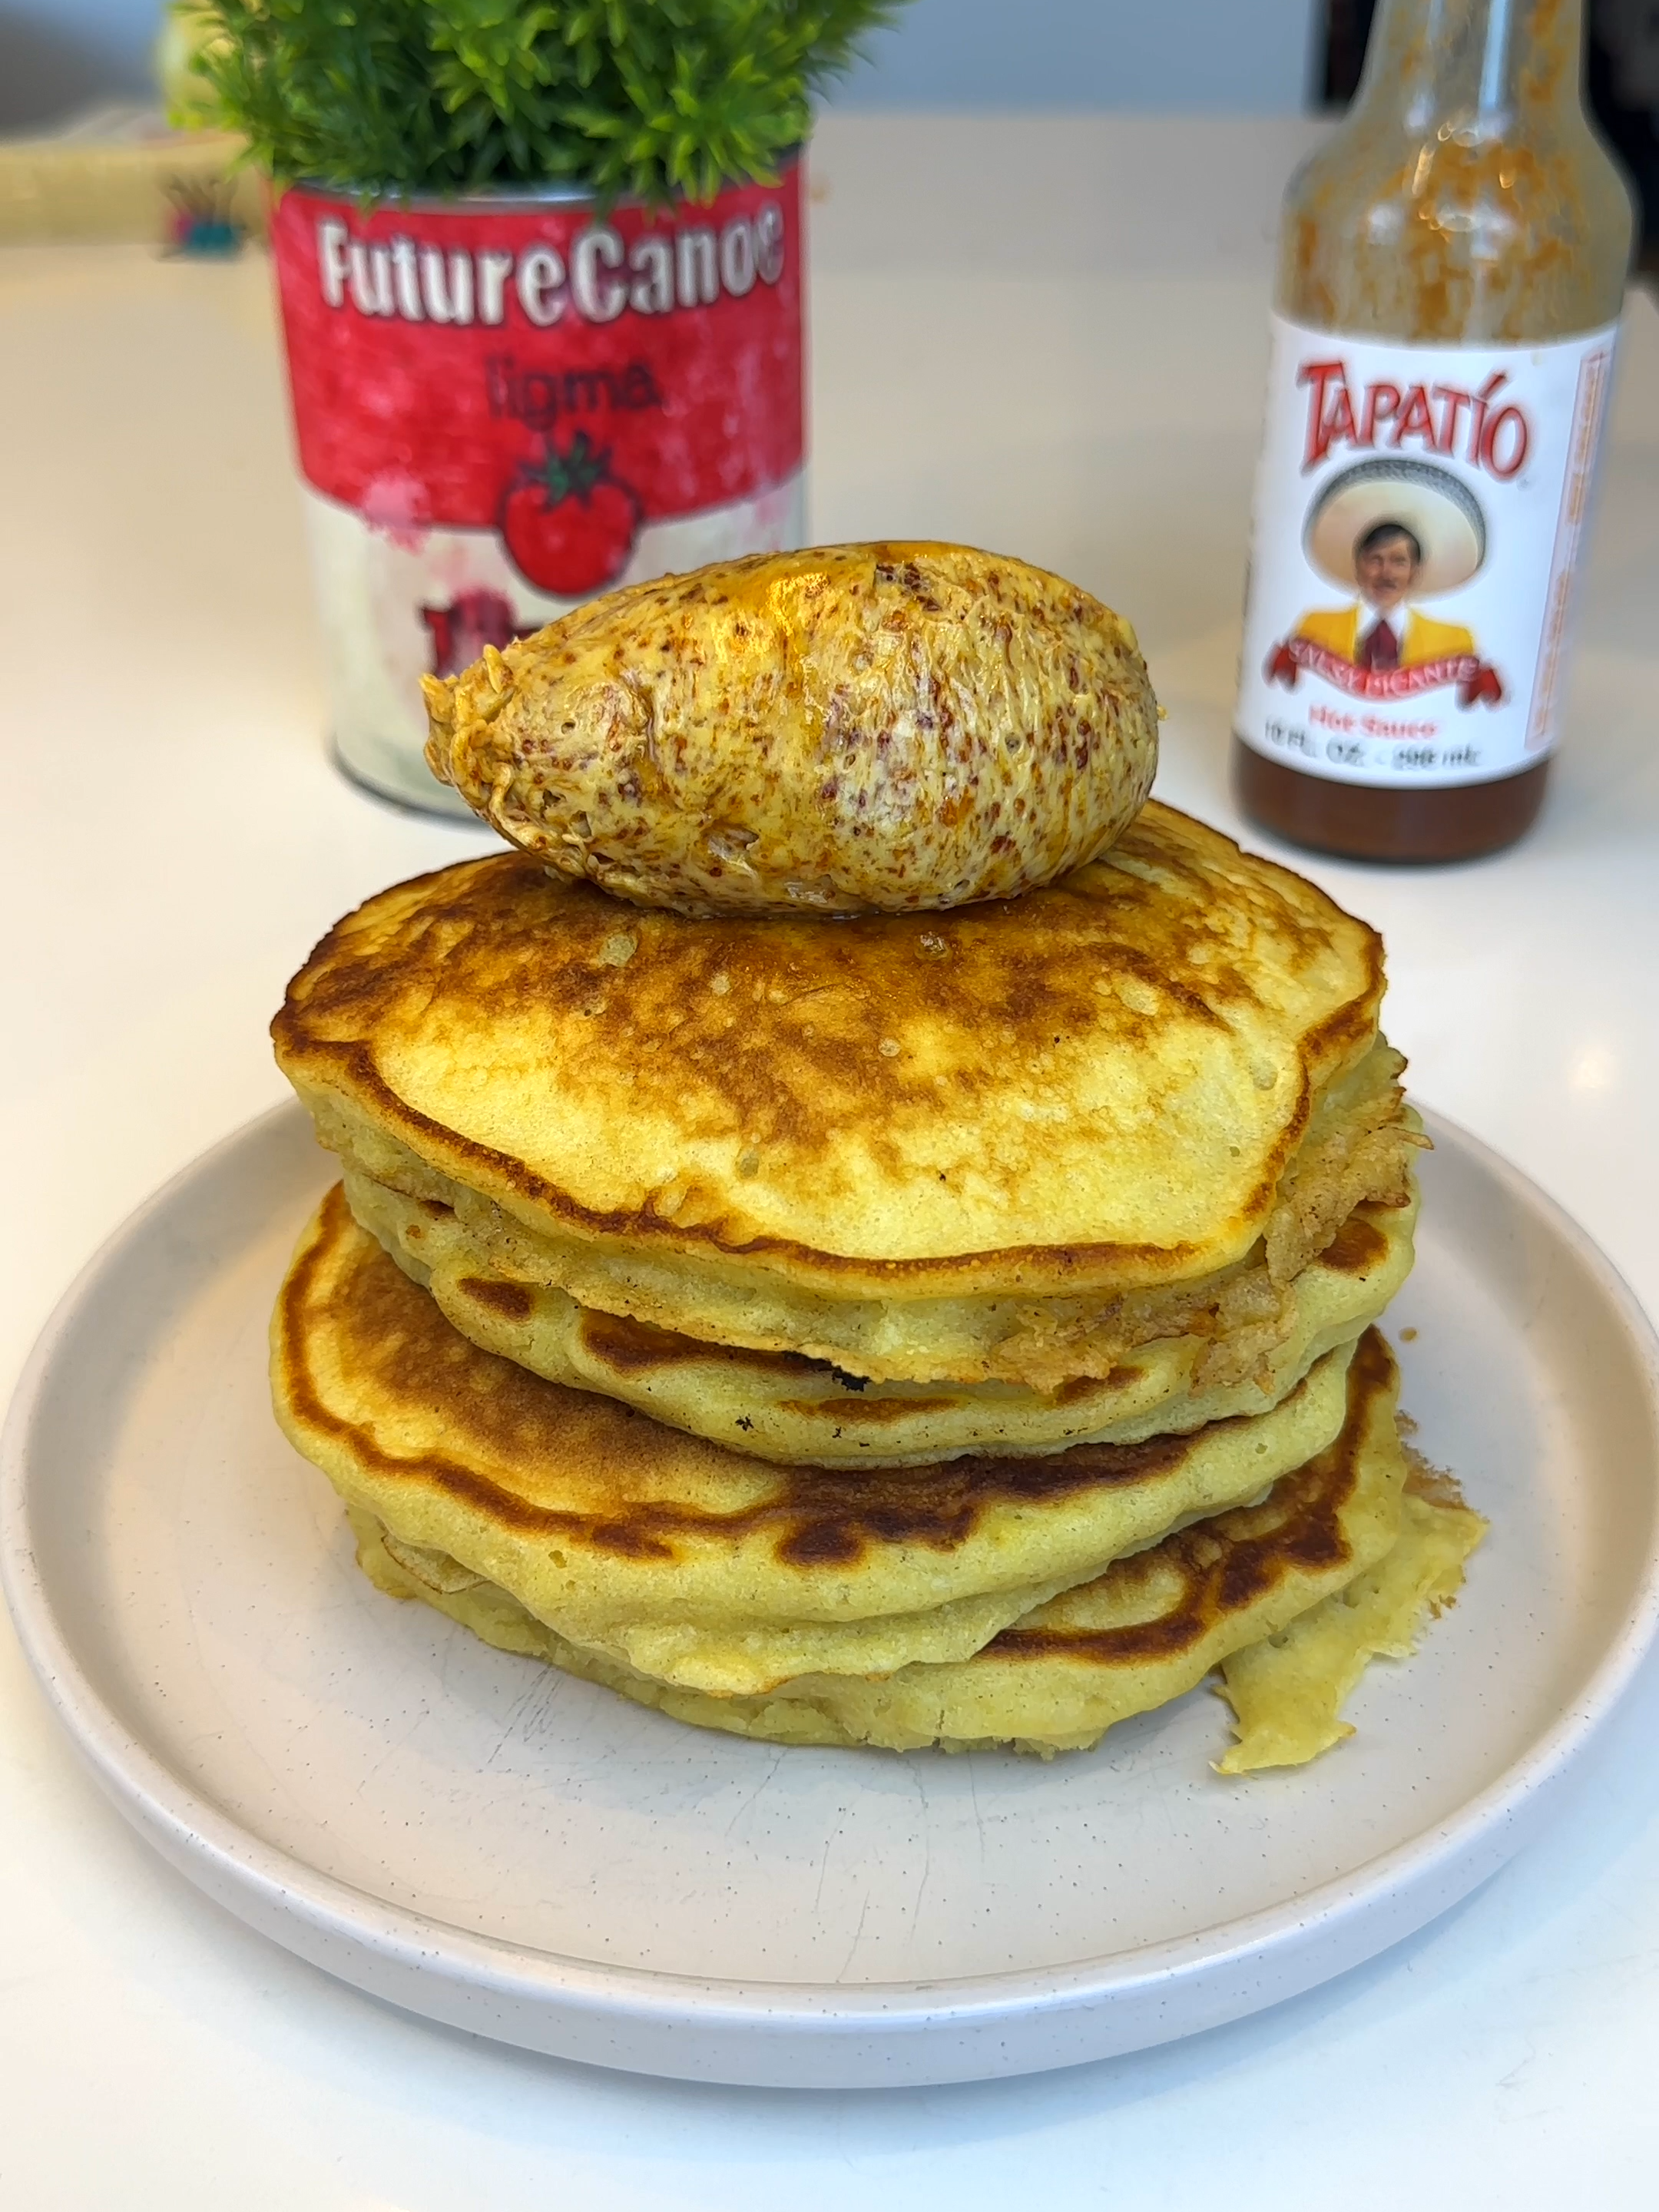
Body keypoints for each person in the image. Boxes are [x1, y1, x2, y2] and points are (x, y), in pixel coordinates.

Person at [1294, 520, 1475, 668]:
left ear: (1415, 572)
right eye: (1375, 560)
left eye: (1399, 562)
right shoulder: (1315, 630)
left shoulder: (1454, 643)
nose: (1386, 574)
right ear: (1358, 566)